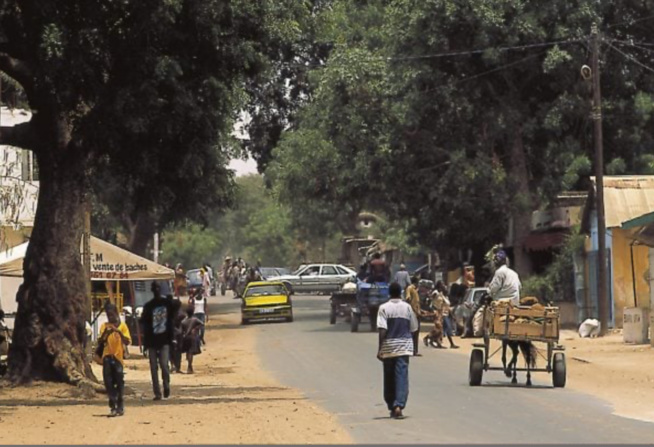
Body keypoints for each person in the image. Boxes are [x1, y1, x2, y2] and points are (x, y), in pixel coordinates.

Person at [376, 282, 419, 420]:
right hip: (404, 346)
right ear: (400, 292)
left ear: (389, 293)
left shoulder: (383, 308)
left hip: (389, 347)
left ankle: (391, 404)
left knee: (389, 378)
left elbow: (382, 330)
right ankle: (399, 405)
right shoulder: (407, 308)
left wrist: (380, 349)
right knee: (401, 376)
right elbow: (414, 328)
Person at [141, 282, 175, 400]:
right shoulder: (148, 306)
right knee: (153, 368)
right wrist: (144, 344)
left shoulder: (167, 303)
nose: (156, 290)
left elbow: (175, 314)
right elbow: (144, 325)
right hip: (151, 341)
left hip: (164, 340)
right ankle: (157, 393)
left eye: (158, 288)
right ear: (152, 290)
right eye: (154, 288)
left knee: (165, 366)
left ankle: (166, 385)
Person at [99, 304, 131, 416]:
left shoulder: (123, 326)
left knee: (119, 381)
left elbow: (127, 341)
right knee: (108, 382)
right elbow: (101, 341)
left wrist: (118, 332)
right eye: (108, 315)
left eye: (112, 315)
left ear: (116, 314)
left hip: (118, 358)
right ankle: (112, 405)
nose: (110, 318)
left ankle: (120, 404)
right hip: (107, 357)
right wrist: (106, 332)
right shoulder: (104, 326)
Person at [431, 282, 458, 349]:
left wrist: (452, 316)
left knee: (442, 330)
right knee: (445, 329)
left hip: (447, 314)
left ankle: (434, 340)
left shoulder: (445, 297)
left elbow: (448, 308)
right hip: (442, 315)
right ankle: (435, 340)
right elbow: (433, 301)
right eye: (443, 286)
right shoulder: (438, 294)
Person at [181, 307, 204, 374]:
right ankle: (189, 366)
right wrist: (195, 329)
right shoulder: (195, 319)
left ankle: (189, 366)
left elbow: (182, 330)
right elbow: (202, 324)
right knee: (191, 352)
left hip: (186, 337)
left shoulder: (183, 321)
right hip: (193, 337)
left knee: (188, 352)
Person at [404, 276, 422, 356]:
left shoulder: (415, 290)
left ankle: (415, 351)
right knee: (412, 332)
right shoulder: (410, 288)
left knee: (416, 332)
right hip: (413, 314)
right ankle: (410, 349)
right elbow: (408, 299)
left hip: (417, 313)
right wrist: (412, 310)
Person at [169, 296, 185, 374]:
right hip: (178, 334)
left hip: (171, 335)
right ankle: (177, 367)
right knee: (178, 351)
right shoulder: (179, 314)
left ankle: (173, 366)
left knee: (171, 351)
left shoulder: (169, 313)